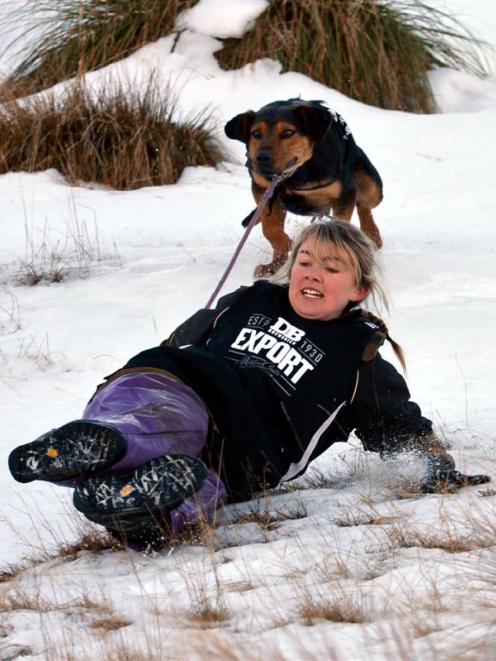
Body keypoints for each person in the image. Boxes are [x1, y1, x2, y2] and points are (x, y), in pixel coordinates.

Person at [8, 220, 489, 547]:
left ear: (358, 289)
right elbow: (177, 347)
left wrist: (435, 469)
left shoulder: (358, 359)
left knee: (196, 490)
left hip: (243, 452)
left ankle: (123, 504)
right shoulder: (250, 299)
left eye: (331, 267)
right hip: (179, 391)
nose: (312, 273)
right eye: (305, 261)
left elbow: (399, 427)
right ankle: (105, 444)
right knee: (163, 416)